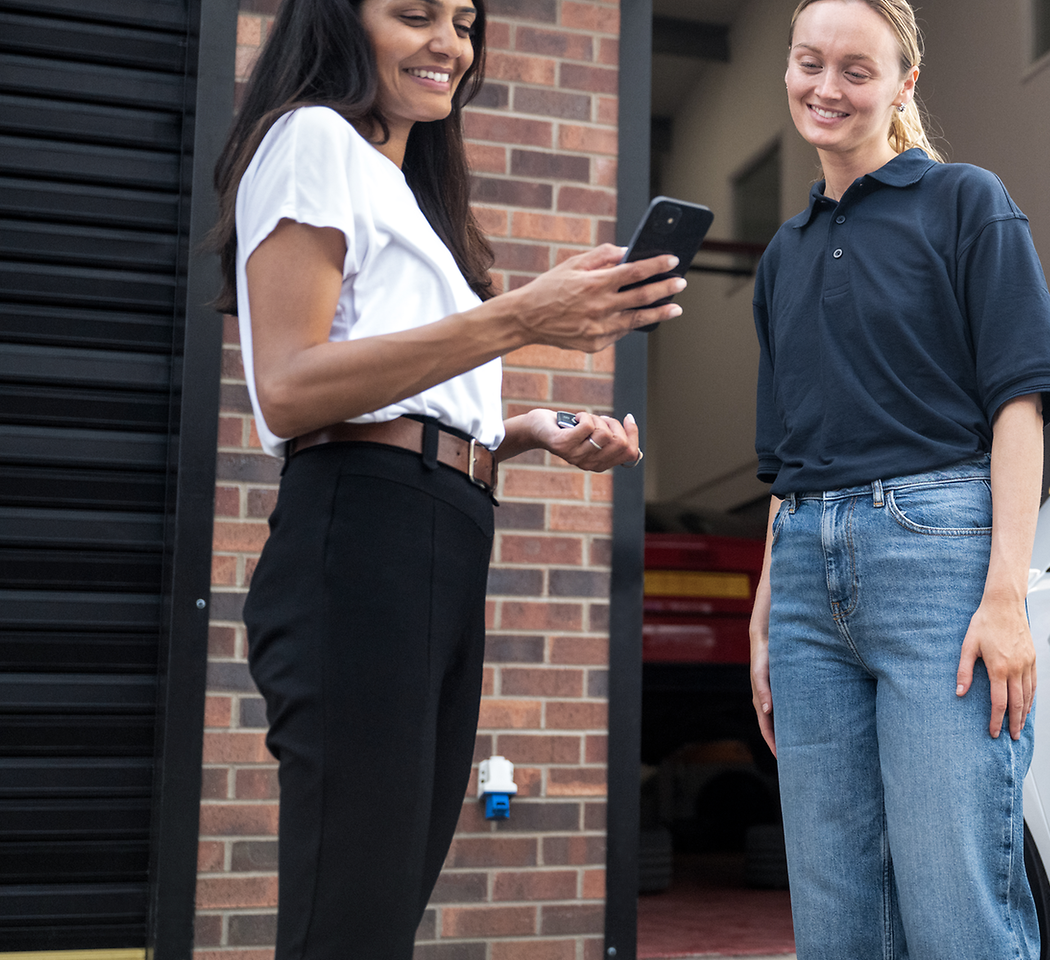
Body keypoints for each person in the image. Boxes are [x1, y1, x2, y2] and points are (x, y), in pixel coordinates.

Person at [207, 0, 685, 955]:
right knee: (349, 915)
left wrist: (522, 431)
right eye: (414, 15)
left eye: (464, 22)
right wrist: (520, 319)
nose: (449, 46)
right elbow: (293, 389)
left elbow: (401, 410)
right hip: (365, 543)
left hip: (436, 533)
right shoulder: (310, 138)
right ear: (340, 23)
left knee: (382, 909)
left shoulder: (411, 198)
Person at [745, 1, 1050, 957]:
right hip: (807, 568)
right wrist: (769, 611)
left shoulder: (966, 201)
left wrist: (1006, 595)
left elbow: (1020, 405)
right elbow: (787, 458)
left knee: (951, 899)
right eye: (810, 63)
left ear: (903, 86)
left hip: (938, 559)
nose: (827, 87)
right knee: (834, 912)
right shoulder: (784, 254)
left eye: (857, 69)